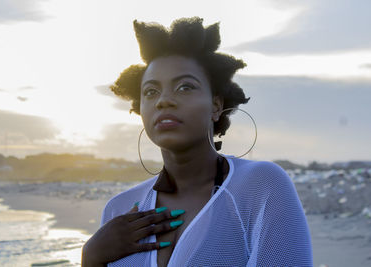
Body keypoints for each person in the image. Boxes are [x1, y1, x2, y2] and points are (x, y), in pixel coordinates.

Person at [82, 17, 313, 267]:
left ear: (216, 106)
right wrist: (91, 258)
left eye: (184, 87)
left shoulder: (260, 186)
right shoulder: (120, 209)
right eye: (151, 91)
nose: (163, 101)